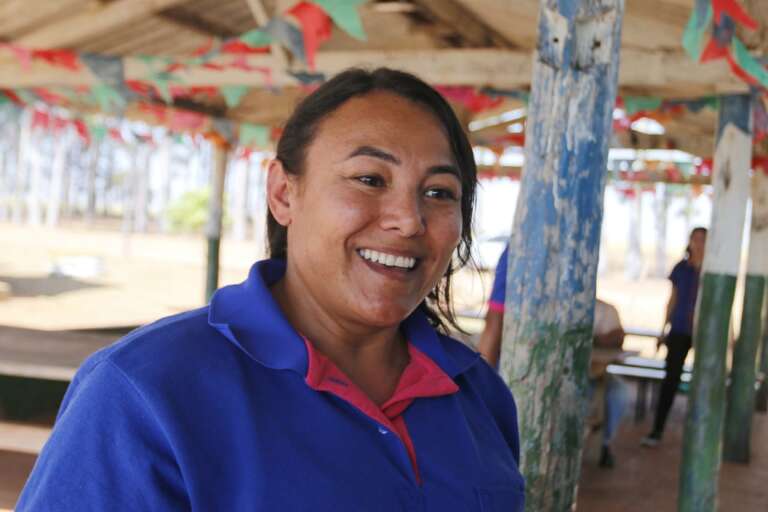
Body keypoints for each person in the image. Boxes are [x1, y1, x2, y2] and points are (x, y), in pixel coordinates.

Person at [17, 69, 524, 511]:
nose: (408, 220)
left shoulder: (479, 396)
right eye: (369, 179)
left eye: (438, 192)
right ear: (284, 193)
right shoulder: (145, 392)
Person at [477, 246, 629, 468]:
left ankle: (602, 445)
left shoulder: (598, 307)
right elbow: (494, 322)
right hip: (523, 376)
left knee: (617, 395)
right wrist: (482, 387)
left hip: (581, 377)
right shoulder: (520, 251)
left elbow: (617, 338)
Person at [641, 227, 707, 447]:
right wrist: (663, 330)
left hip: (703, 332)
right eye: (695, 239)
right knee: (670, 380)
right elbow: (672, 300)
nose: (698, 244)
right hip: (679, 329)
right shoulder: (681, 268)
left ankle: (700, 433)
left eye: (702, 240)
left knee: (704, 382)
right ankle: (657, 430)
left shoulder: (711, 271)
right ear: (689, 242)